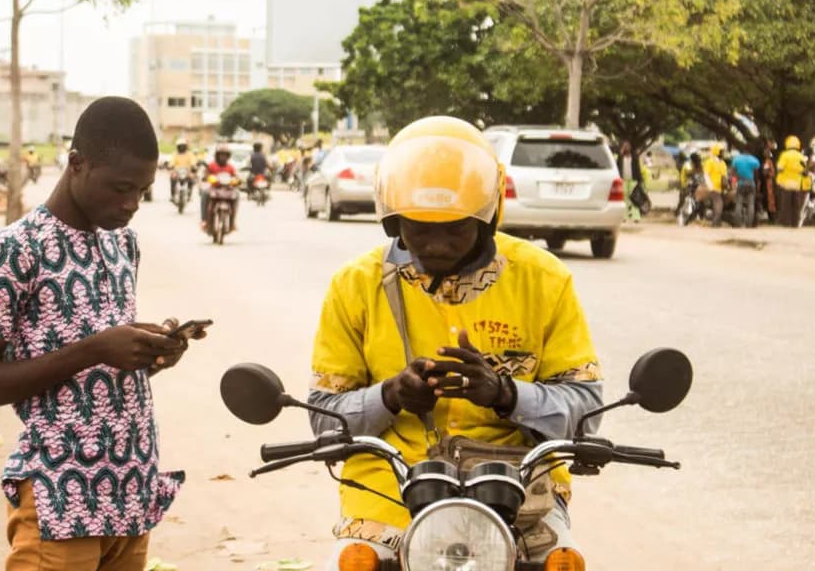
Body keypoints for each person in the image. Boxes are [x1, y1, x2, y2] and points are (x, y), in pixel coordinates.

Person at [307, 116, 603, 567]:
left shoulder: (546, 280)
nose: (437, 244)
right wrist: (391, 395)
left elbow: (588, 411)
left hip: (519, 492)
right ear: (393, 221)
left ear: (488, 217)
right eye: (420, 228)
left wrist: (505, 394)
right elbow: (324, 418)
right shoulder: (354, 285)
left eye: (455, 228)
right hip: (386, 493)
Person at [0, 97, 205, 571]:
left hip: (131, 492)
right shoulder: (14, 251)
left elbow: (93, 382)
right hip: (60, 496)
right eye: (121, 188)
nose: (132, 204)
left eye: (143, 191)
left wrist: (148, 354)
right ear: (77, 164)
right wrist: (95, 349)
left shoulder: (122, 243)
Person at [200, 144, 239, 232]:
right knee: (205, 193)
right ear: (217, 155)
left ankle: (232, 222)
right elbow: (206, 174)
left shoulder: (230, 167)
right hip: (214, 189)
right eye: (221, 155)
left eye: (225, 155)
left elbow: (235, 177)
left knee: (237, 194)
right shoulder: (212, 165)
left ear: (228, 156)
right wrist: (206, 177)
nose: (223, 157)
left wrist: (237, 180)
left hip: (228, 190)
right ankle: (204, 220)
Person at [776, 135, 808, 227]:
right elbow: (805, 170)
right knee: (796, 204)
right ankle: (795, 223)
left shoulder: (785, 155)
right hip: (797, 183)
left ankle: (786, 222)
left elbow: (780, 168)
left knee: (785, 203)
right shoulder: (800, 156)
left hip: (785, 183)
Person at [731, 149, 761, 228]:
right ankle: (749, 224)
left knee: (739, 203)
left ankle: (738, 224)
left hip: (741, 182)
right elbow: (756, 174)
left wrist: (738, 177)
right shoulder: (754, 160)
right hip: (751, 183)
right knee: (751, 204)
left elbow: (733, 172)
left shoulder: (736, 159)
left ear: (742, 152)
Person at [702, 144, 729, 227]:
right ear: (717, 152)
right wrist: (710, 186)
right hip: (714, 188)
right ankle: (715, 223)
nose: (723, 153)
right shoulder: (710, 162)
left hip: (721, 188)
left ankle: (717, 222)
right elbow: (706, 175)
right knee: (719, 204)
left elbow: (725, 176)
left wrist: (726, 187)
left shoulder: (723, 163)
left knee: (719, 205)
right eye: (721, 152)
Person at [617, 141, 644, 222]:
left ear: (630, 147)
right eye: (624, 146)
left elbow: (638, 169)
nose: (626, 148)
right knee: (624, 199)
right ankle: (624, 216)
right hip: (623, 180)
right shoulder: (621, 158)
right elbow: (618, 167)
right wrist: (620, 154)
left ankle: (635, 216)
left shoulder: (634, 157)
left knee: (634, 198)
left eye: (627, 146)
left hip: (633, 180)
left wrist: (640, 180)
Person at [759, 140, 778, 224]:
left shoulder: (767, 161)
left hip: (769, 183)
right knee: (770, 200)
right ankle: (772, 218)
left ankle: (772, 219)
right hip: (770, 182)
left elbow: (765, 172)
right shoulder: (771, 161)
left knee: (770, 200)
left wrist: (765, 173)